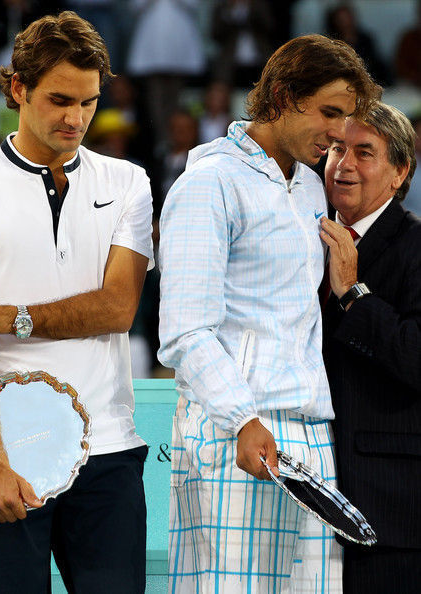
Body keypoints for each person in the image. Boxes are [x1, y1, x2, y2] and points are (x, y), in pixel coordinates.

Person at [0, 11, 153, 594]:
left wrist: (0, 318)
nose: (77, 118)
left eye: (90, 102)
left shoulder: (128, 182)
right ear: (18, 87)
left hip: (110, 456)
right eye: (60, 99)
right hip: (2, 457)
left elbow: (118, 309)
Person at [158, 33, 380, 593]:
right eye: (330, 113)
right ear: (281, 96)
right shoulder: (208, 183)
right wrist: (241, 418)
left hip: (308, 436)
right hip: (236, 433)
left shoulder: (309, 185)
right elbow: (186, 331)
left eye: (347, 118)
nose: (338, 133)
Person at [321, 102, 421, 594]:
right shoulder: (304, 234)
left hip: (394, 509)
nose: (344, 164)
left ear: (400, 170)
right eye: (337, 148)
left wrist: (353, 293)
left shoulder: (417, 245)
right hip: (310, 494)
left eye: (364, 152)